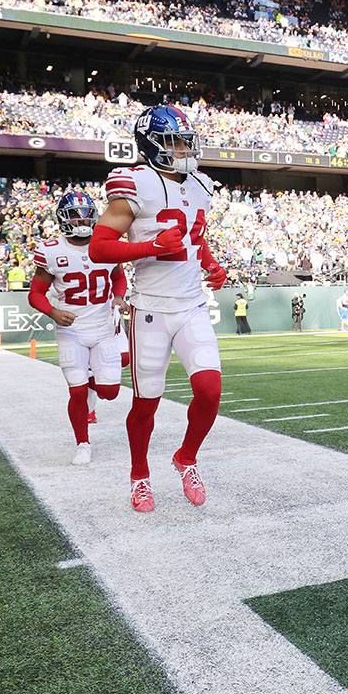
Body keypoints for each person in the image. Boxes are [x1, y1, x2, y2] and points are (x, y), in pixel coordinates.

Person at [90, 105, 227, 512]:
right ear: (153, 145)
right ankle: (139, 477)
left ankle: (185, 458)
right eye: (176, 141)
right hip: (150, 308)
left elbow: (193, 239)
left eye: (187, 139)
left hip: (192, 306)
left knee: (210, 390)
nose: (186, 148)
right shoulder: (134, 182)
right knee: (146, 403)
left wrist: (210, 263)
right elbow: (99, 248)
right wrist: (150, 247)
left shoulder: (201, 183)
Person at [27, 192, 126, 466]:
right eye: (74, 214)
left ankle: (90, 372)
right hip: (72, 330)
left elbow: (119, 278)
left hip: (104, 327)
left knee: (110, 392)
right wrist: (53, 311)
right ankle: (82, 443)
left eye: (85, 213)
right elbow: (35, 294)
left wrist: (118, 297)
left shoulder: (107, 243)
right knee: (77, 391)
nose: (81, 219)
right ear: (63, 218)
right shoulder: (50, 250)